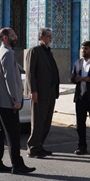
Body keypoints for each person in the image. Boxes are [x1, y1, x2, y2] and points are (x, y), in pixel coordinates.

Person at [0, 27, 35, 175]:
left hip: (0, 101)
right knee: (13, 134)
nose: (16, 37)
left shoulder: (1, 52)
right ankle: (17, 165)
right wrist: (16, 99)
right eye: (13, 35)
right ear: (5, 38)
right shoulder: (7, 54)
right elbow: (10, 79)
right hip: (7, 102)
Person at [25, 28, 60, 158]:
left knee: (46, 121)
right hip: (39, 92)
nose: (50, 39)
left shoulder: (48, 52)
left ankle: (40, 145)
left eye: (51, 36)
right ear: (41, 37)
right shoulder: (35, 51)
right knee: (38, 121)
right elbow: (30, 73)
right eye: (48, 36)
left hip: (50, 92)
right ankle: (33, 148)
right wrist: (33, 91)